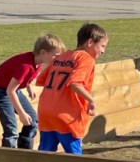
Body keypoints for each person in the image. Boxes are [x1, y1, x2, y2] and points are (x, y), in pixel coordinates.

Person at [36, 23, 108, 154]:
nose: (103, 51)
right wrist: (91, 100)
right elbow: (75, 84)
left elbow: (41, 80)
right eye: (102, 46)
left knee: (44, 155)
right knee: (74, 157)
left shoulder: (61, 56)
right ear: (90, 42)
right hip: (67, 117)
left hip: (46, 112)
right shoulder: (86, 59)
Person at [0, 33, 65, 149]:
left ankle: (24, 152)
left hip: (13, 89)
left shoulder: (37, 63)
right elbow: (10, 91)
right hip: (0, 91)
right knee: (11, 129)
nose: (58, 59)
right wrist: (22, 114)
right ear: (43, 52)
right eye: (56, 55)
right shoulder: (25, 65)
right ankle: (9, 160)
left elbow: (25, 77)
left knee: (33, 121)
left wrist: (28, 86)